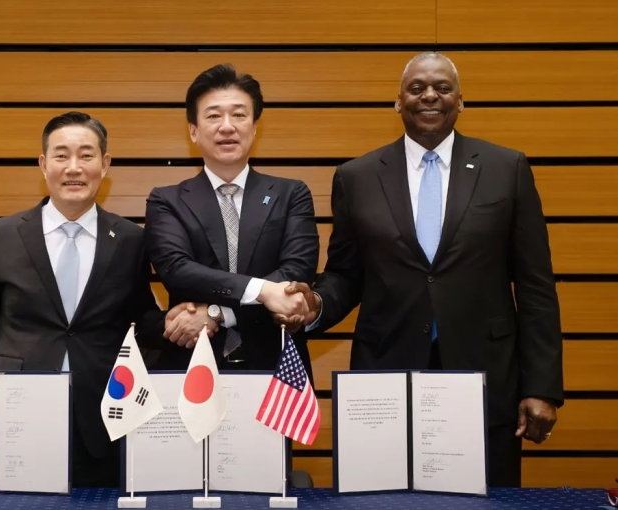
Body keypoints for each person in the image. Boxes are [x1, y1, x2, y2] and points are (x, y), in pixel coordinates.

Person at [279, 52, 564, 487]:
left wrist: (541, 386)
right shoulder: (357, 177)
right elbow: (346, 275)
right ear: (398, 101)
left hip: (486, 379)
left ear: (460, 101)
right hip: (385, 377)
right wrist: (315, 304)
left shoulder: (507, 169)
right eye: (416, 88)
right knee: (383, 500)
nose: (429, 95)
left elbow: (535, 285)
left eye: (442, 88)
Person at [0, 111, 194, 487]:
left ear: (104, 165)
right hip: (19, 412)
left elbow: (140, 316)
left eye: (86, 155)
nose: (74, 168)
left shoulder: (131, 239)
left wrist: (175, 319)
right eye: (61, 155)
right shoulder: (1, 235)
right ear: (43, 164)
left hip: (103, 413)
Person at [145, 64, 318, 377]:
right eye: (213, 116)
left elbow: (296, 272)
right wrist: (262, 290)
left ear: (255, 127)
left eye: (239, 115)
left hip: (276, 368)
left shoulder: (291, 193)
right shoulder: (166, 200)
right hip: (192, 370)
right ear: (193, 131)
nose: (227, 126)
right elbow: (178, 271)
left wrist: (219, 313)